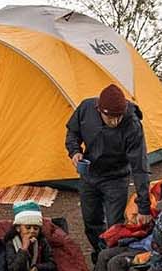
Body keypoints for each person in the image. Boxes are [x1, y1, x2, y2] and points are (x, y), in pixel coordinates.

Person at [65, 84, 153, 259]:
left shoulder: (132, 125)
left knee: (115, 227)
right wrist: (75, 151)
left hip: (116, 178)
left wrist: (144, 207)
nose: (114, 122)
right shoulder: (86, 108)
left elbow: (140, 167)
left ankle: (111, 262)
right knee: (91, 222)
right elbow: (72, 133)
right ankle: (100, 255)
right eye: (109, 117)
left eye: (118, 117)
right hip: (89, 174)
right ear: (99, 110)